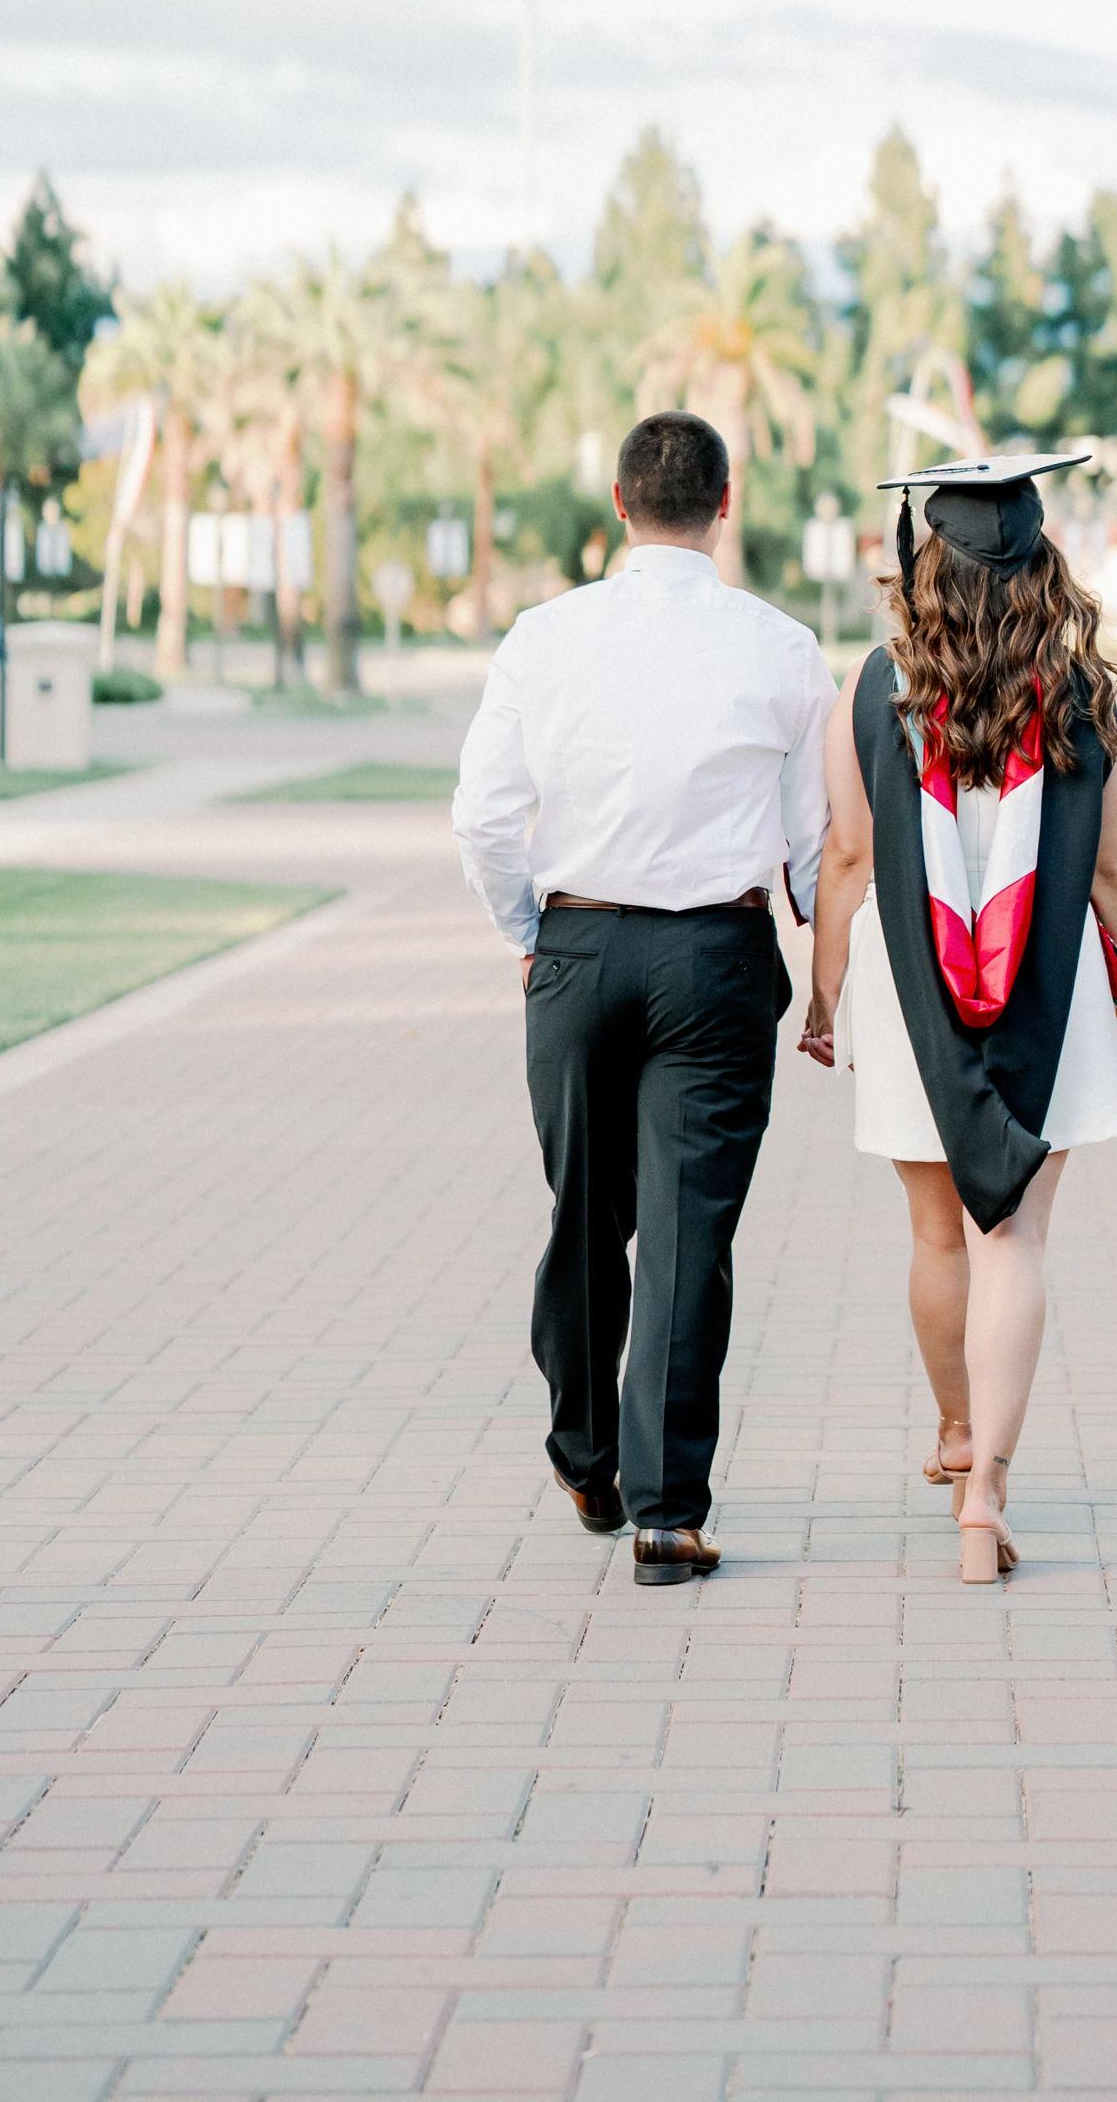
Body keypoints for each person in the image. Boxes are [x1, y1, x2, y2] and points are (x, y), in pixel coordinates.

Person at [451, 410, 834, 1588]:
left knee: (585, 1211)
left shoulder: (542, 637)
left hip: (576, 951)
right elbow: (814, 843)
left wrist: (530, 937)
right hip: (717, 960)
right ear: (726, 504)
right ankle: (667, 1518)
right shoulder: (783, 649)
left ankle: (585, 1454)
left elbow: (481, 817)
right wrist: (825, 978)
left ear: (618, 504)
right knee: (684, 1234)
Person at [797, 446, 1117, 1584]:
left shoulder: (875, 686)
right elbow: (1112, 864)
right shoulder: (1085, 693)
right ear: (1044, 563)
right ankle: (986, 1489)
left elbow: (848, 855)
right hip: (1049, 984)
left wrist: (827, 991)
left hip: (912, 989)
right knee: (1017, 1237)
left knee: (939, 1233)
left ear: (926, 562)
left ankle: (955, 1430)